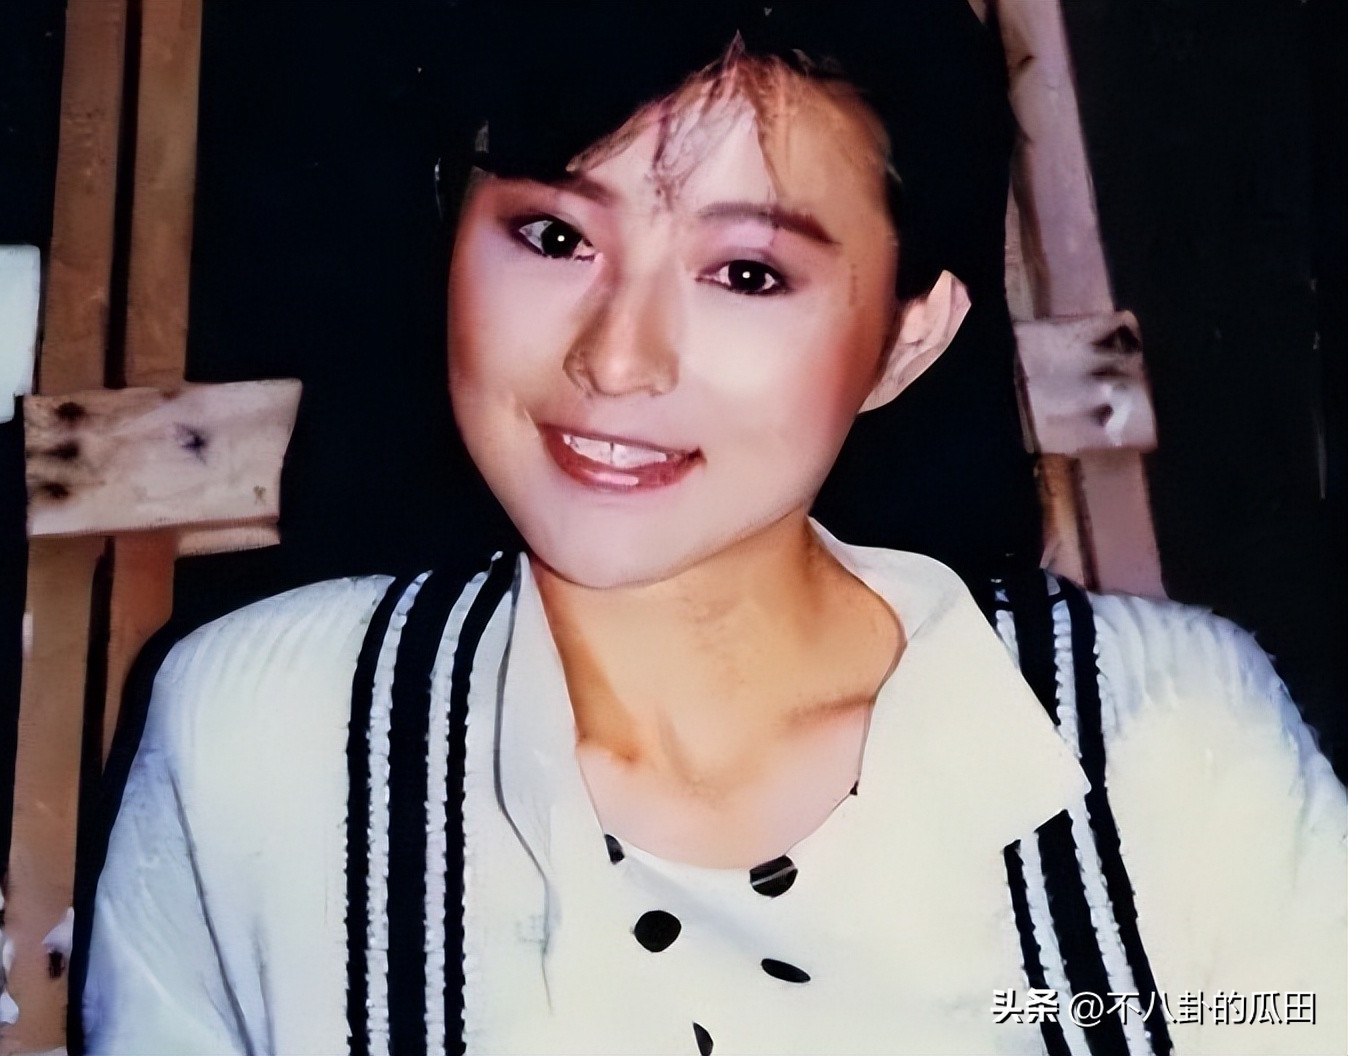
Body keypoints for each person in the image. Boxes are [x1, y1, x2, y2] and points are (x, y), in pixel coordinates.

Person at [79, 5, 1346, 1054]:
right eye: (554, 235)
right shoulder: (264, 740)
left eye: (744, 272)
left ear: (907, 337)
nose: (616, 358)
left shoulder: (1164, 745)